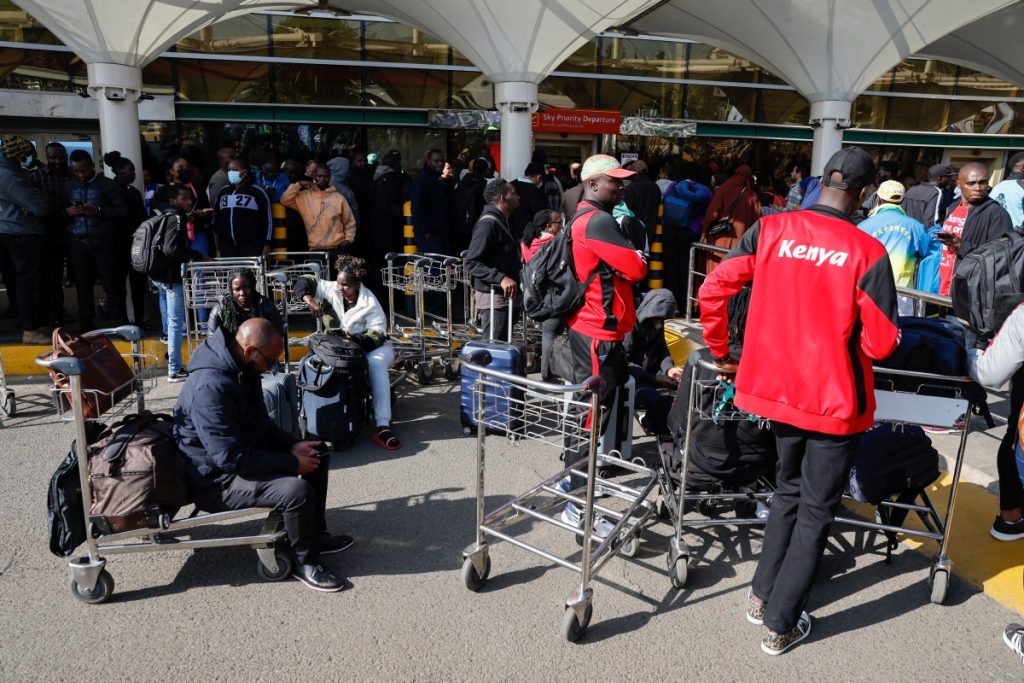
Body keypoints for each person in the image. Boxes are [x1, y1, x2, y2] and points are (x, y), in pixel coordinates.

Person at [699, 146, 899, 656]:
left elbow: (715, 289)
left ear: (819, 182)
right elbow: (880, 343)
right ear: (863, 194)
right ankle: (782, 622)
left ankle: (762, 594)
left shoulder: (770, 229)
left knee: (787, 490)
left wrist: (723, 351)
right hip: (835, 401)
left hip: (776, 393)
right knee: (816, 507)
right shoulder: (867, 251)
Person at [174, 318, 352, 593]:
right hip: (215, 479)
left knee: (318, 453)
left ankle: (315, 536)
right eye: (270, 361)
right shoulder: (210, 386)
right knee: (296, 490)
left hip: (239, 458)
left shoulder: (242, 370)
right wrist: (292, 464)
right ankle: (304, 562)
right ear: (249, 351)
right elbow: (229, 458)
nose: (273, 367)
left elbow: (261, 425)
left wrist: (292, 446)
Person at [560, 154, 648, 537]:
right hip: (599, 335)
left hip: (592, 330)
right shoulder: (597, 220)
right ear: (593, 183)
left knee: (588, 417)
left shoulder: (584, 217)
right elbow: (638, 267)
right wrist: (633, 255)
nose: (621, 186)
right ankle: (576, 506)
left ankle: (572, 485)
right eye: (615, 181)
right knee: (589, 420)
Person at [296, 254, 402, 451]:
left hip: (371, 348)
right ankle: (310, 417)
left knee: (376, 366)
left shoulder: (370, 302)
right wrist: (309, 299)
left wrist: (354, 340)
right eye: (338, 283)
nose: (340, 288)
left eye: (345, 285)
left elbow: (378, 335)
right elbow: (304, 280)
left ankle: (383, 426)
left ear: (357, 284)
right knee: (311, 363)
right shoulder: (330, 289)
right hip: (337, 349)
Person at [63, 149, 129, 331]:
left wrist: (98, 211)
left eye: (83, 170)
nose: (81, 175)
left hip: (104, 243)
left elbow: (123, 212)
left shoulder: (108, 185)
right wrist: (68, 212)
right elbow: (57, 213)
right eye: (76, 171)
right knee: (83, 286)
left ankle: (120, 323)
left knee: (112, 285)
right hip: (78, 242)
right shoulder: (68, 186)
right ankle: (86, 323)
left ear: (92, 165)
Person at [151, 186, 208, 382]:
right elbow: (171, 249)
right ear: (173, 200)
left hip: (158, 275)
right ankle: (174, 369)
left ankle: (175, 366)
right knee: (176, 323)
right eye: (184, 198)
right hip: (170, 276)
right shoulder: (176, 217)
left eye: (190, 198)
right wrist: (196, 255)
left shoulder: (161, 214)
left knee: (171, 319)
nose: (189, 202)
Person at [935, 162, 1012, 297]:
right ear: (958, 183)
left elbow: (1001, 258)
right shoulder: (952, 208)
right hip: (945, 288)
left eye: (982, 182)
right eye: (971, 183)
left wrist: (962, 246)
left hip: (971, 294)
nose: (977, 188)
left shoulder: (996, 213)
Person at [0, 135, 50, 344]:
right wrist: (36, 201)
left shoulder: (9, 171)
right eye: (25, 156)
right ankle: (31, 330)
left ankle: (25, 321)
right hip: (19, 233)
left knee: (16, 280)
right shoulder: (8, 176)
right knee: (26, 283)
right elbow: (41, 208)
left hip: (9, 231)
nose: (27, 160)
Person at [857, 180, 932, 316]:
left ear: (878, 198)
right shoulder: (915, 227)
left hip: (870, 289)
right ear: (902, 200)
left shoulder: (864, 226)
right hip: (902, 293)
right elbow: (927, 252)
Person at [464, 178, 521, 342]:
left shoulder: (503, 221)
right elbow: (471, 262)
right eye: (514, 193)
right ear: (503, 199)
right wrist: (501, 278)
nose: (518, 197)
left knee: (501, 348)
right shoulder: (488, 224)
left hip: (503, 299)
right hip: (494, 299)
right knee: (495, 351)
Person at [280, 163, 357, 269]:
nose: (323, 179)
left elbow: (349, 221)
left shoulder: (339, 198)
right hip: (315, 250)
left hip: (337, 249)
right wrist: (298, 184)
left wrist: (348, 239)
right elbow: (284, 200)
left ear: (330, 177)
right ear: (314, 177)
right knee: (318, 284)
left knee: (338, 283)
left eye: (326, 176)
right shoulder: (304, 196)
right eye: (319, 176)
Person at [28, 141, 70, 330]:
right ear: (47, 157)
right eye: (53, 157)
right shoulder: (37, 177)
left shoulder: (73, 175)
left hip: (74, 234)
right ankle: (55, 315)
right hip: (49, 235)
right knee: (51, 280)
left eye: (61, 157)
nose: (57, 161)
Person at [521, 209, 563, 380]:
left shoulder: (526, 243)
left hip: (530, 295)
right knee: (552, 333)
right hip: (550, 295)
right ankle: (549, 373)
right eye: (558, 222)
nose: (561, 226)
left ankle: (546, 372)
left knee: (547, 333)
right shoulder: (554, 243)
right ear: (549, 226)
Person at [110, 155, 151, 328]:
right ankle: (121, 322)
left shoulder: (133, 191)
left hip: (136, 245)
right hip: (117, 245)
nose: (134, 174)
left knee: (138, 285)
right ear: (120, 171)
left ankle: (139, 320)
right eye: (131, 170)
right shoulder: (111, 190)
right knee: (118, 286)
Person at [700, 165, 761, 270]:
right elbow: (757, 222)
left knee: (716, 269)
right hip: (741, 242)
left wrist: (704, 231)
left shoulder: (722, 190)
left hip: (720, 237)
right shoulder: (753, 196)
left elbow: (711, 214)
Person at [212, 158, 273, 257]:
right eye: (229, 170)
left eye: (235, 170)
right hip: (227, 246)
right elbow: (216, 217)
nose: (231, 172)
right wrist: (218, 248)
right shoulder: (223, 191)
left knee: (249, 272)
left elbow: (268, 220)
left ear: (245, 172)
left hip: (251, 246)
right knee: (229, 272)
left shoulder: (257, 192)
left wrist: (267, 244)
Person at [208, 269, 285, 337]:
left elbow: (277, 335)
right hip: (229, 351)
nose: (242, 293)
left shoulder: (266, 306)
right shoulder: (220, 309)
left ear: (253, 286)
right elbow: (213, 340)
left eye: (246, 287)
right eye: (237, 289)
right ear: (231, 290)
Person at [410, 148, 449, 254]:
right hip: (430, 234)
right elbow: (417, 207)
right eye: (436, 161)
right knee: (434, 265)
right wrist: (424, 230)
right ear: (429, 161)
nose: (440, 163)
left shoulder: (435, 180)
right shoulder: (423, 180)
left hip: (437, 232)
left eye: (442, 161)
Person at [450, 157, 489, 255]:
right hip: (476, 227)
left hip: (459, 225)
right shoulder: (484, 187)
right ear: (486, 171)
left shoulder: (461, 184)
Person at [903, 163, 957, 228]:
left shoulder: (912, 189)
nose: (950, 180)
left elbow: (902, 212)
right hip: (922, 234)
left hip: (906, 230)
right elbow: (931, 220)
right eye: (948, 177)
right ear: (940, 178)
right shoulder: (936, 192)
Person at [624, 159, 662, 245]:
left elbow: (626, 208)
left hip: (634, 228)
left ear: (635, 172)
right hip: (651, 227)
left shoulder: (632, 187)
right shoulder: (655, 186)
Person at [510, 163, 548, 241]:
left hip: (509, 235)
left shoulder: (510, 186)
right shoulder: (535, 192)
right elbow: (541, 216)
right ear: (538, 177)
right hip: (528, 237)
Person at [989, 151, 1024, 228]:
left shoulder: (997, 187)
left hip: (997, 236)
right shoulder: (1021, 187)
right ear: (1022, 168)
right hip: (1018, 237)